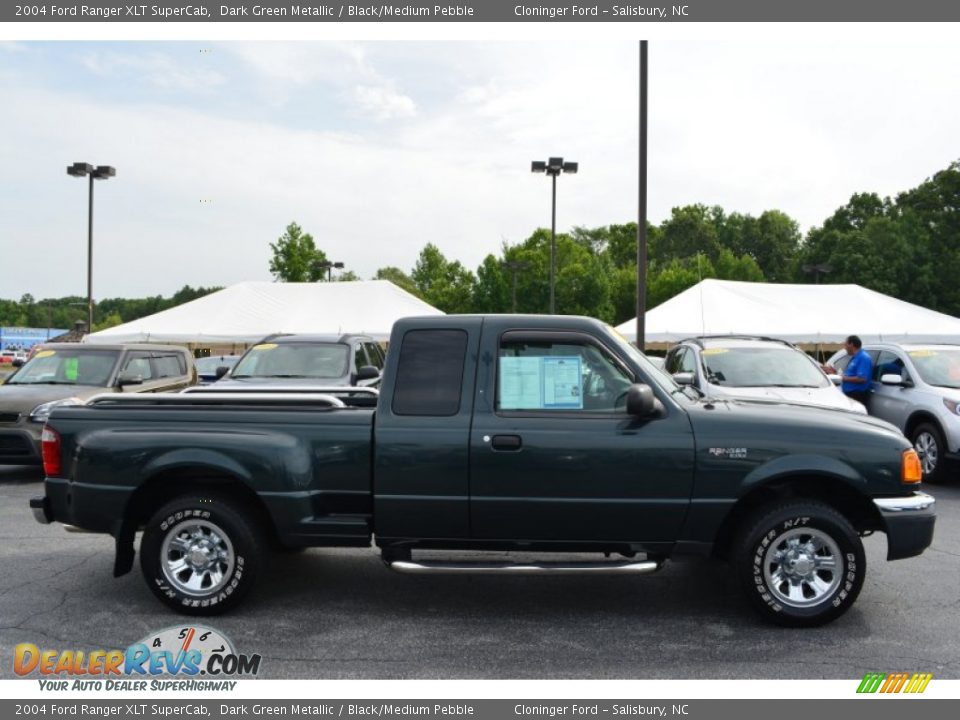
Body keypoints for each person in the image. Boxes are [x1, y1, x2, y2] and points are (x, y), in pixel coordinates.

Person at [839, 335, 873, 406]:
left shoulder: (863, 358)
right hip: (850, 394)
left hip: (857, 395)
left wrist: (844, 378)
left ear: (851, 344)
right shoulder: (855, 357)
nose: (845, 348)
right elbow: (851, 373)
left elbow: (862, 378)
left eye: (846, 345)